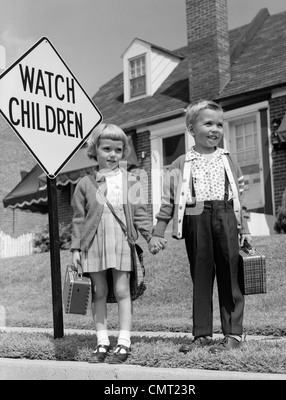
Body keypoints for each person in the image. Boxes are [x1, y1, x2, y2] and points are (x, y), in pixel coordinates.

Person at [149, 99, 252, 354]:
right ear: (191, 128)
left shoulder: (229, 160)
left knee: (230, 276)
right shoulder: (181, 163)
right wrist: (158, 230)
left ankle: (233, 335)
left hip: (226, 216)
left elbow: (240, 199)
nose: (215, 129)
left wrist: (245, 229)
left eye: (220, 124)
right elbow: (169, 201)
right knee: (201, 276)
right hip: (196, 218)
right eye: (208, 123)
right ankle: (202, 334)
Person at [70, 123, 155, 364]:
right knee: (99, 291)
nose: (113, 154)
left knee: (122, 290)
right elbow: (78, 218)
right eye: (106, 148)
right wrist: (76, 248)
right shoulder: (85, 183)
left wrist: (149, 236)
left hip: (121, 240)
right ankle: (102, 341)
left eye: (118, 149)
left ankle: (124, 342)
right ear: (95, 150)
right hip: (94, 241)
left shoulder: (131, 180)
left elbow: (139, 213)